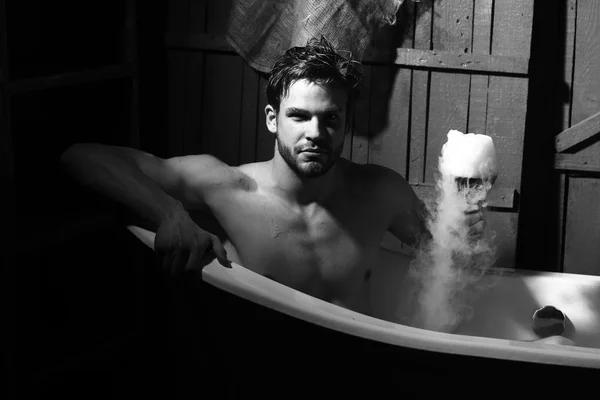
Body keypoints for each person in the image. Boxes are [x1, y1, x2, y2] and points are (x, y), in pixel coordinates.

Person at [60, 36, 485, 313]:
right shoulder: (227, 187)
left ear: (346, 124)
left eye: (330, 118)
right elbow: (82, 156)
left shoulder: (381, 193)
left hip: (359, 373)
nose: (315, 133)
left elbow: (445, 261)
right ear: (271, 119)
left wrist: (463, 228)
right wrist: (169, 212)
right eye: (298, 116)